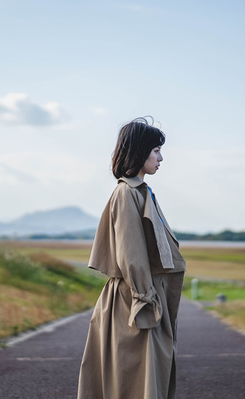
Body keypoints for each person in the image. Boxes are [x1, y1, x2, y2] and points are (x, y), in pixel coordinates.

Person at [77, 117, 186, 399]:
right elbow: (131, 253)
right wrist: (145, 298)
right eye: (155, 151)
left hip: (143, 296)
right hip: (135, 301)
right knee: (133, 379)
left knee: (144, 377)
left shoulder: (140, 190)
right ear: (139, 152)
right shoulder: (127, 192)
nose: (161, 158)